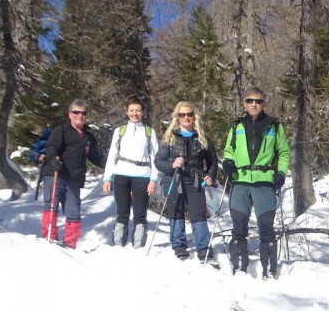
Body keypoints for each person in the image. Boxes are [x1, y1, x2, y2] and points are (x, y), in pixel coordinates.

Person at [222, 86, 291, 279]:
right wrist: (227, 162)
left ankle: (269, 270)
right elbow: (229, 150)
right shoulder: (237, 125)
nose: (254, 104)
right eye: (250, 101)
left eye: (258, 101)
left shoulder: (274, 126)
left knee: (266, 227)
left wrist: (281, 172)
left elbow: (284, 152)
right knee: (238, 226)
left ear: (263, 104)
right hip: (240, 181)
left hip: (264, 182)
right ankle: (239, 267)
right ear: (244, 103)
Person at [154, 102, 218, 263]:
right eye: (182, 115)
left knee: (198, 212)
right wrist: (172, 165)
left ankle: (203, 247)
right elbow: (158, 161)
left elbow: (213, 162)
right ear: (177, 118)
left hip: (195, 180)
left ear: (194, 116)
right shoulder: (170, 138)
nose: (186, 118)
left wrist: (210, 175)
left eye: (189, 114)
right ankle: (179, 245)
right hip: (173, 179)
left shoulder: (202, 138)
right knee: (176, 211)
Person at [42, 100, 106, 249]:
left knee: (74, 211)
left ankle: (70, 244)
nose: (80, 115)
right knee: (51, 207)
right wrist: (52, 160)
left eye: (83, 113)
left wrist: (112, 166)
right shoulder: (61, 130)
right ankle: (49, 240)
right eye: (76, 112)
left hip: (74, 178)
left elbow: (96, 157)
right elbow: (51, 147)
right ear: (70, 114)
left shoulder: (88, 136)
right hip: (55, 173)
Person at [102, 95, 160, 248]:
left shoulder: (149, 132)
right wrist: (107, 178)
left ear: (142, 113)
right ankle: (118, 242)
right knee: (122, 211)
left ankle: (139, 244)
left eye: (138, 111)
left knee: (140, 212)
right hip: (121, 174)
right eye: (132, 110)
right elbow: (112, 155)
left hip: (142, 175)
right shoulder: (120, 131)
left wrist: (153, 179)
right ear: (127, 112)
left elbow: (155, 158)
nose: (135, 114)